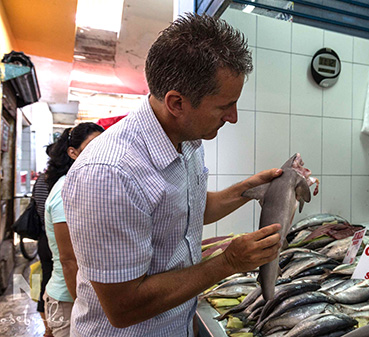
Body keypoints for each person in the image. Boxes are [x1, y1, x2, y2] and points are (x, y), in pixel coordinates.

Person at [62, 14, 282, 337]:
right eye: (225, 106)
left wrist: (250, 189)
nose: (233, 118)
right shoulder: (110, 174)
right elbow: (123, 307)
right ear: (176, 102)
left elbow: (190, 209)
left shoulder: (189, 139)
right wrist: (228, 262)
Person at [43, 123, 104, 337]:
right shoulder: (64, 191)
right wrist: (83, 306)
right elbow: (68, 260)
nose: (101, 152)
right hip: (68, 299)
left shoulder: (81, 185)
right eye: (93, 146)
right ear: (72, 153)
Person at [32, 172, 53, 337]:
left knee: (46, 280)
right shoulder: (57, 180)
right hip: (54, 238)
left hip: (43, 238)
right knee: (55, 281)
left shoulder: (40, 179)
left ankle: (48, 329)